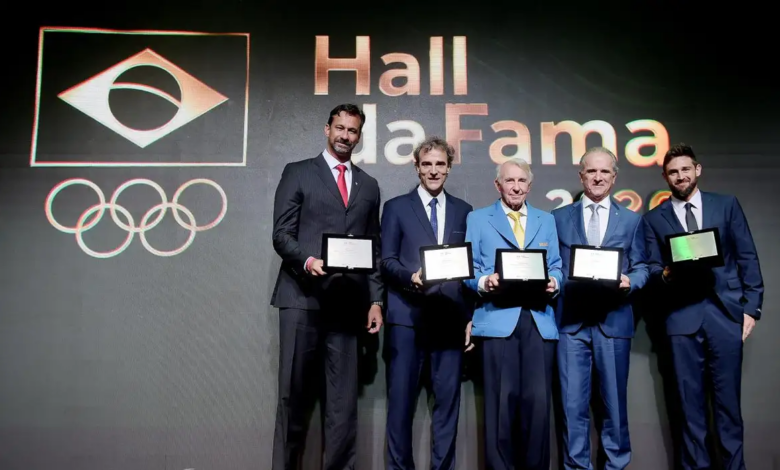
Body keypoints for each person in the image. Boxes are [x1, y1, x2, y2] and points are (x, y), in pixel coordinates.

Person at [270, 103, 385, 470]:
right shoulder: (298, 172)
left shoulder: (369, 185)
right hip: (301, 298)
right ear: (327, 129)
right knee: (292, 397)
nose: (345, 136)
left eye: (352, 131)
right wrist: (307, 261)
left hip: (347, 307)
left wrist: (376, 301)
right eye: (340, 128)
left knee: (342, 406)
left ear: (359, 136)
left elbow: (374, 248)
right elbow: (281, 234)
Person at [643, 143, 764, 470]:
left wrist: (751, 309)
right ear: (665, 177)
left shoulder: (726, 205)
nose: (680, 176)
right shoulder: (653, 219)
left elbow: (747, 257)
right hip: (680, 318)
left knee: (728, 407)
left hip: (725, 315)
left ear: (697, 170)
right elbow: (651, 270)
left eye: (685, 169)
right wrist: (667, 273)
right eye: (672, 172)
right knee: (689, 409)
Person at [551, 147, 649, 469]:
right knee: (572, 407)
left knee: (615, 408)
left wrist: (630, 281)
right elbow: (553, 265)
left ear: (614, 177)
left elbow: (642, 267)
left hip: (614, 321)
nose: (597, 177)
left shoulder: (632, 220)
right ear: (581, 176)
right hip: (571, 324)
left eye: (604, 171)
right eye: (591, 171)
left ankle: (615, 465)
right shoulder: (558, 217)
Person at [463, 158, 563, 470]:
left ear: (530, 186)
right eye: (510, 181)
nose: (516, 187)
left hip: (538, 320)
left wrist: (555, 281)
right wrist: (484, 281)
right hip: (497, 320)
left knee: (538, 408)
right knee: (500, 409)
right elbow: (468, 270)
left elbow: (556, 265)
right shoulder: (478, 219)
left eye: (522, 181)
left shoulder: (546, 220)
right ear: (498, 185)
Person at [380, 137, 473, 470]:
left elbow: (469, 268)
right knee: (400, 408)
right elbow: (386, 261)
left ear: (449, 168)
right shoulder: (396, 207)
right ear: (417, 167)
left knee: (448, 409)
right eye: (427, 164)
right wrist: (411, 277)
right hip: (407, 319)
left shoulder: (464, 210)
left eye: (440, 164)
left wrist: (469, 316)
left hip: (450, 321)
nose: (434, 170)